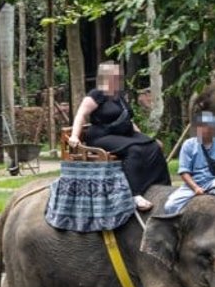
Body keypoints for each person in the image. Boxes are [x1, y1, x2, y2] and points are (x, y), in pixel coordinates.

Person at [68, 61, 171, 211]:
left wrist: (142, 136)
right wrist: (74, 136)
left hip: (124, 134)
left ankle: (160, 185)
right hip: (102, 136)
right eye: (114, 76)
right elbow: (81, 115)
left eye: (118, 75)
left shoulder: (119, 96)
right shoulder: (96, 94)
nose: (118, 78)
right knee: (134, 150)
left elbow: (127, 119)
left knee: (155, 145)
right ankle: (135, 194)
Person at [164, 110, 215, 214]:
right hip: (193, 184)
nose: (204, 129)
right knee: (170, 206)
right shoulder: (188, 145)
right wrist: (195, 188)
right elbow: (184, 172)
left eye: (207, 126)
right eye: (201, 126)